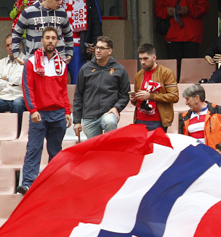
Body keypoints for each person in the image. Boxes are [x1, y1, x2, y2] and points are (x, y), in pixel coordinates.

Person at [18, 27, 72, 195]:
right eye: (47, 37)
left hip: (58, 113)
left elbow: (63, 90)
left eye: (53, 38)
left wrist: (67, 111)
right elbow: (28, 88)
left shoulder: (62, 64)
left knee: (56, 150)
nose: (50, 40)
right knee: (34, 148)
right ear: (41, 41)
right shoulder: (32, 62)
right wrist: (33, 110)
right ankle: (28, 184)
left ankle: (55, 182)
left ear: (57, 41)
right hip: (39, 113)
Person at [72, 36, 130, 140]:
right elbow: (78, 96)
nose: (98, 51)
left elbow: (125, 95)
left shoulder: (119, 69)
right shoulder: (85, 69)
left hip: (108, 112)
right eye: (97, 48)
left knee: (110, 122)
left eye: (102, 48)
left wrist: (117, 108)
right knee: (94, 150)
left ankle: (109, 149)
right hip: (89, 115)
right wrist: (76, 121)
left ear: (110, 51)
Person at [153, 0, 209, 80]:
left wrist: (190, 9)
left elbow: (204, 7)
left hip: (191, 35)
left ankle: (190, 91)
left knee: (191, 70)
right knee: (173, 71)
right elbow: (158, 10)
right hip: (173, 35)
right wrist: (167, 11)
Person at [130, 43, 179, 132]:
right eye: (140, 59)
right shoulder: (138, 75)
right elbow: (139, 100)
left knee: (156, 145)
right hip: (139, 118)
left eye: (145, 58)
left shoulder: (166, 73)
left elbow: (174, 97)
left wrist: (150, 96)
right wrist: (134, 99)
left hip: (158, 120)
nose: (142, 62)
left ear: (154, 58)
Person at [11, 0, 73, 64]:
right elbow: (16, 33)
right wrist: (16, 55)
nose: (60, 3)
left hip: (58, 59)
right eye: (57, 0)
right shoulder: (28, 12)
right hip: (34, 58)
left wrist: (69, 53)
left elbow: (68, 33)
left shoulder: (62, 12)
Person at [178, 83, 221, 149]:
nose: (186, 103)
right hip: (195, 157)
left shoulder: (218, 111)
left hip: (216, 157)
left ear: (197, 98)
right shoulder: (186, 117)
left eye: (188, 99)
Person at [0, 34, 26, 126]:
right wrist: (11, 83)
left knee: (18, 104)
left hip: (19, 96)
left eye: (13, 44)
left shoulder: (26, 61)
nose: (10, 47)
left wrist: (6, 78)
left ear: (20, 45)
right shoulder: (1, 63)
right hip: (4, 97)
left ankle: (18, 134)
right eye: (8, 45)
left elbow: (22, 80)